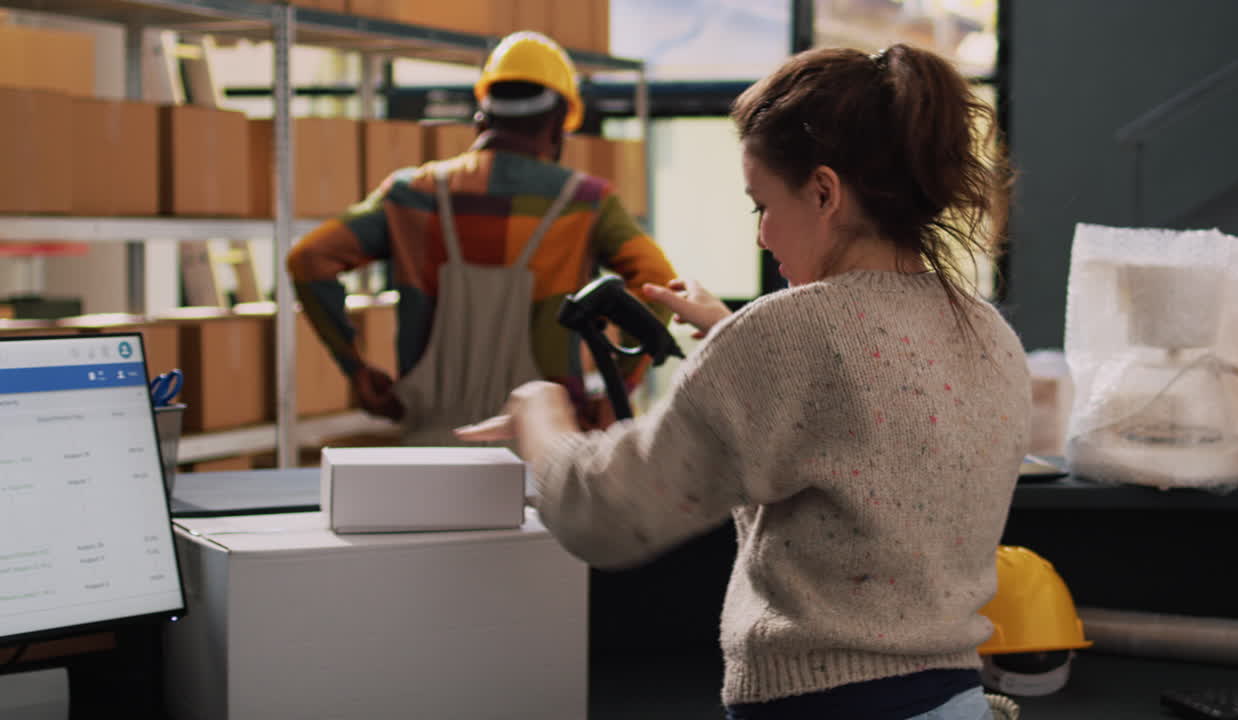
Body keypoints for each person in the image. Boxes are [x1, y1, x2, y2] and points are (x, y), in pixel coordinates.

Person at [458, 43, 1030, 720]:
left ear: (824, 193)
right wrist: (731, 332)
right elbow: (871, 421)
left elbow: (607, 514)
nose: (760, 235)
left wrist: (539, 413)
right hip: (957, 702)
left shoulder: (784, 337)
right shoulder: (989, 334)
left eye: (760, 204)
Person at [287, 31, 677, 444]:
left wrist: (357, 369)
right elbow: (657, 283)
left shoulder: (412, 194)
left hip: (431, 441)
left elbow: (309, 260)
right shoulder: (585, 203)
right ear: (559, 122)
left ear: (482, 116)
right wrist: (619, 388)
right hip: (544, 446)